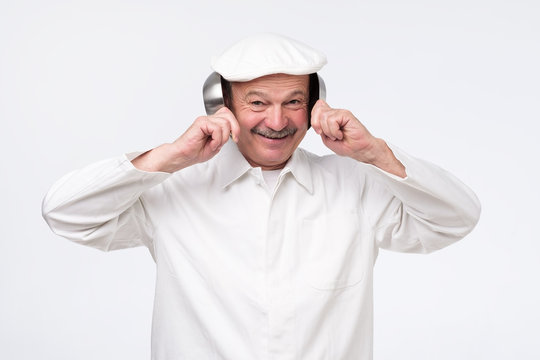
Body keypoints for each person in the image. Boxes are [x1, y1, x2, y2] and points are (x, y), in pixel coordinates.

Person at [42, 33, 481, 360]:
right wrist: (171, 156)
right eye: (256, 102)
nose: (277, 120)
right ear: (223, 107)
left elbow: (456, 218)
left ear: (313, 106)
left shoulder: (357, 184)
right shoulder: (174, 188)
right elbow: (65, 213)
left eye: (293, 101)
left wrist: (374, 153)